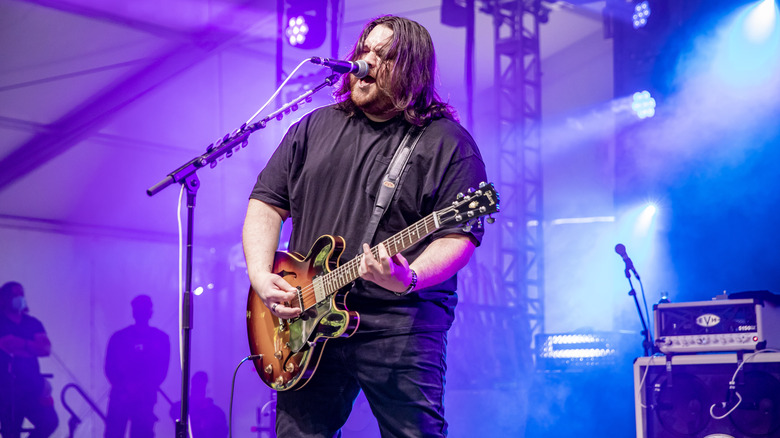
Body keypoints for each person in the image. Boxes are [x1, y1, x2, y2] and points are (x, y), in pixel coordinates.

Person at [242, 15, 488, 437]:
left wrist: (408, 277)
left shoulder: (448, 143)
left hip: (400, 326)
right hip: (307, 323)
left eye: (384, 55)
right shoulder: (314, 127)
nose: (366, 62)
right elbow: (266, 202)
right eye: (364, 51)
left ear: (413, 70)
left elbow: (459, 237)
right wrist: (261, 277)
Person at [104, 295, 170, 438]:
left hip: (132, 398)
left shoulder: (119, 337)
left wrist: (128, 386)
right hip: (137, 398)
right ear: (151, 312)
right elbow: (161, 372)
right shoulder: (161, 339)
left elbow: (110, 368)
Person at [0, 281, 59, 438]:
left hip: (33, 386)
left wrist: (21, 344)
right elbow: (5, 345)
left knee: (49, 422)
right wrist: (31, 347)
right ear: (4, 298)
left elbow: (45, 349)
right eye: (14, 295)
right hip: (7, 389)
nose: (19, 298)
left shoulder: (33, 323)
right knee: (11, 432)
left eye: (21, 294)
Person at [169, 371, 228, 438]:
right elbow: (174, 413)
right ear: (192, 388)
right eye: (196, 386)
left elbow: (222, 433)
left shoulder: (216, 413)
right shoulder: (180, 407)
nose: (199, 390)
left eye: (201, 386)